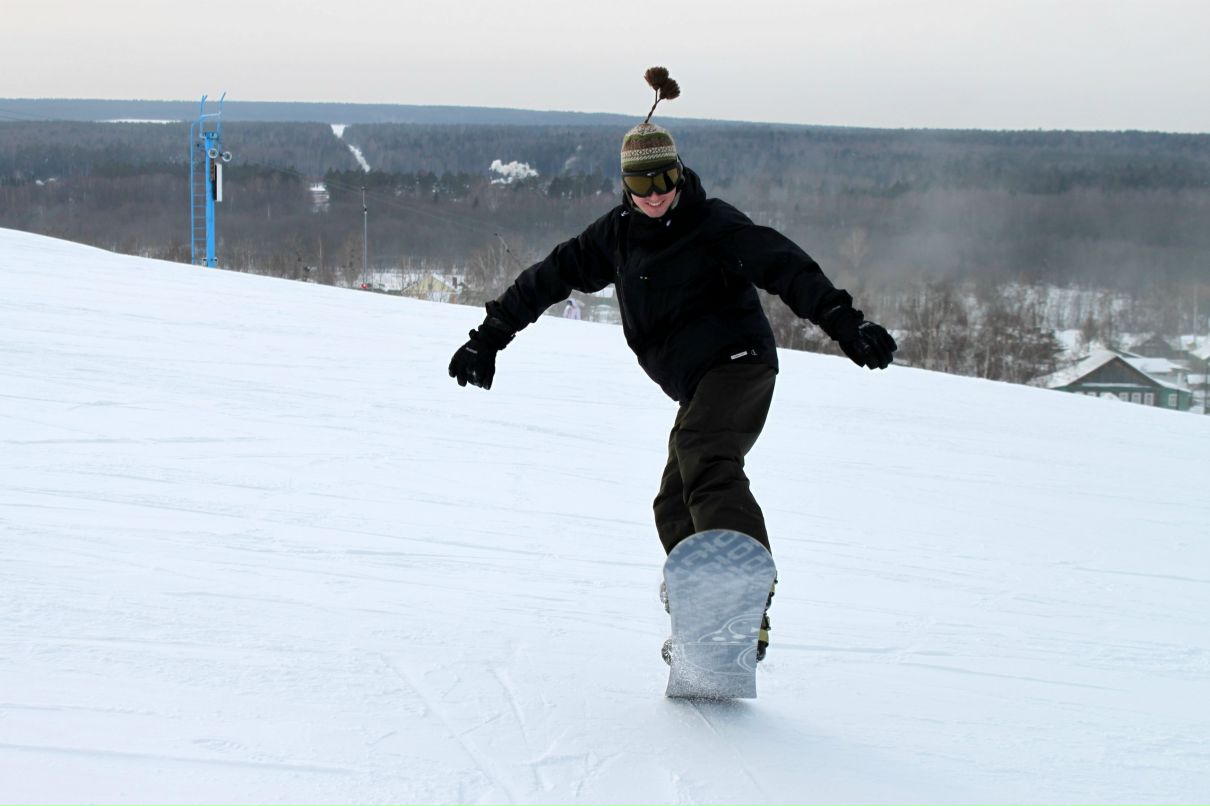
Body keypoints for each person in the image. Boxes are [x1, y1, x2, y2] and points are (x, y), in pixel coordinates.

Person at [449, 67, 896, 657]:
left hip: (739, 363)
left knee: (706, 457)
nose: (655, 194)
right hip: (696, 383)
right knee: (672, 499)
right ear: (626, 186)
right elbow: (547, 279)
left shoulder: (715, 225)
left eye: (665, 179)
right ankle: (707, 614)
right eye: (642, 184)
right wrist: (490, 335)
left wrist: (846, 322)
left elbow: (786, 266)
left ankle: (741, 597)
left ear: (680, 174)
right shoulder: (616, 236)